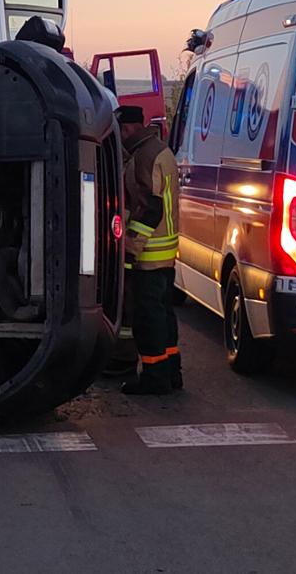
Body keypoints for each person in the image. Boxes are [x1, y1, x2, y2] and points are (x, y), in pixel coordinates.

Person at [117, 105, 183, 395]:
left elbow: (149, 208)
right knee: (164, 315)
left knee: (148, 319)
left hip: (149, 255)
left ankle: (155, 378)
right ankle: (171, 373)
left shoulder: (144, 156)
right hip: (165, 252)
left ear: (126, 129)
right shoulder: (160, 149)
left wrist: (130, 248)